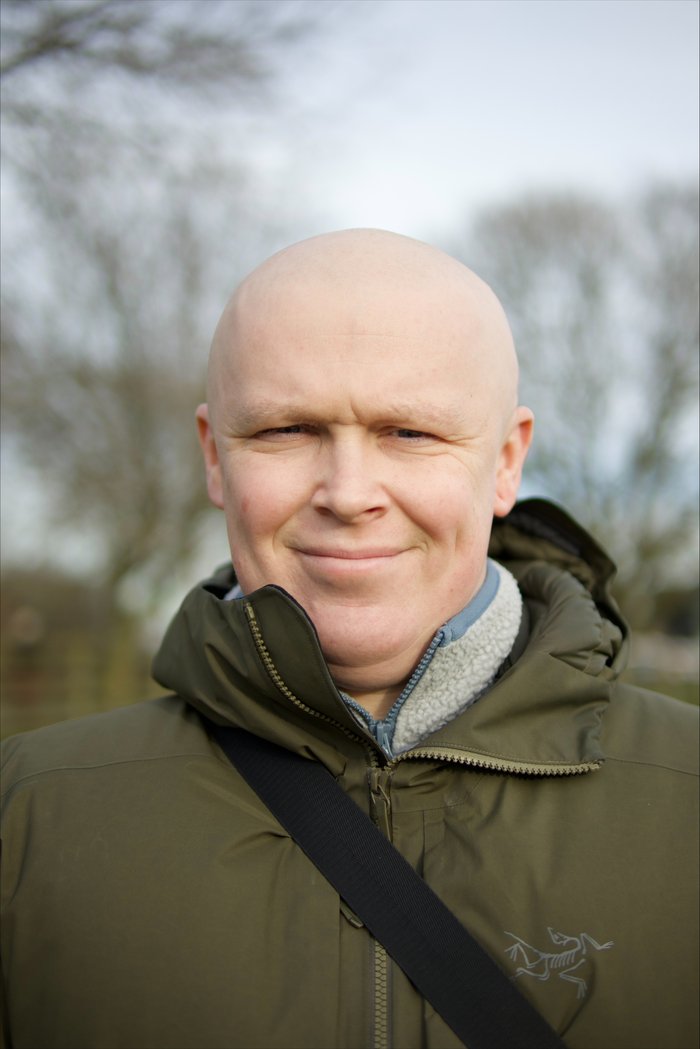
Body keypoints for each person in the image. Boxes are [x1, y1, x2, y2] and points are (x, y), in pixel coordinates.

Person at [1, 229, 697, 1049]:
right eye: (287, 429)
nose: (350, 492)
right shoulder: (29, 816)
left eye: (410, 432)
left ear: (507, 461)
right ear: (214, 457)